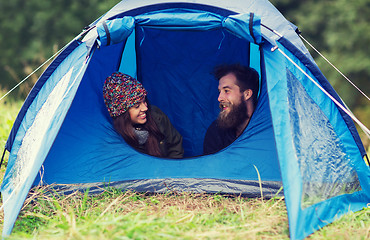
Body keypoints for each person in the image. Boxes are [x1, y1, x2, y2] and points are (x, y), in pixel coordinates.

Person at [103, 72, 184, 158]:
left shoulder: (156, 116)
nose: (145, 108)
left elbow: (175, 145)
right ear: (122, 112)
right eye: (137, 106)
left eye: (144, 101)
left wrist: (171, 169)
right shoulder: (115, 138)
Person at [203, 64, 259, 155]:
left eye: (226, 91)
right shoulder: (216, 131)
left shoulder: (269, 129)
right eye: (219, 92)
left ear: (247, 94)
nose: (219, 98)